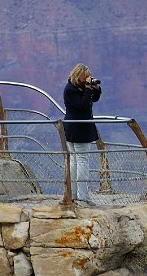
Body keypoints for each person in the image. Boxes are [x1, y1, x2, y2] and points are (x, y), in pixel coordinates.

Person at [63, 63, 101, 200]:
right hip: (79, 129)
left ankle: (73, 195)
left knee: (74, 160)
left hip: (73, 128)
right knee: (82, 160)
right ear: (79, 76)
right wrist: (88, 89)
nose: (88, 79)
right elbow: (82, 105)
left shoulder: (75, 87)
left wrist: (95, 89)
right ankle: (83, 196)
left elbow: (93, 99)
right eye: (86, 77)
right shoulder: (70, 90)